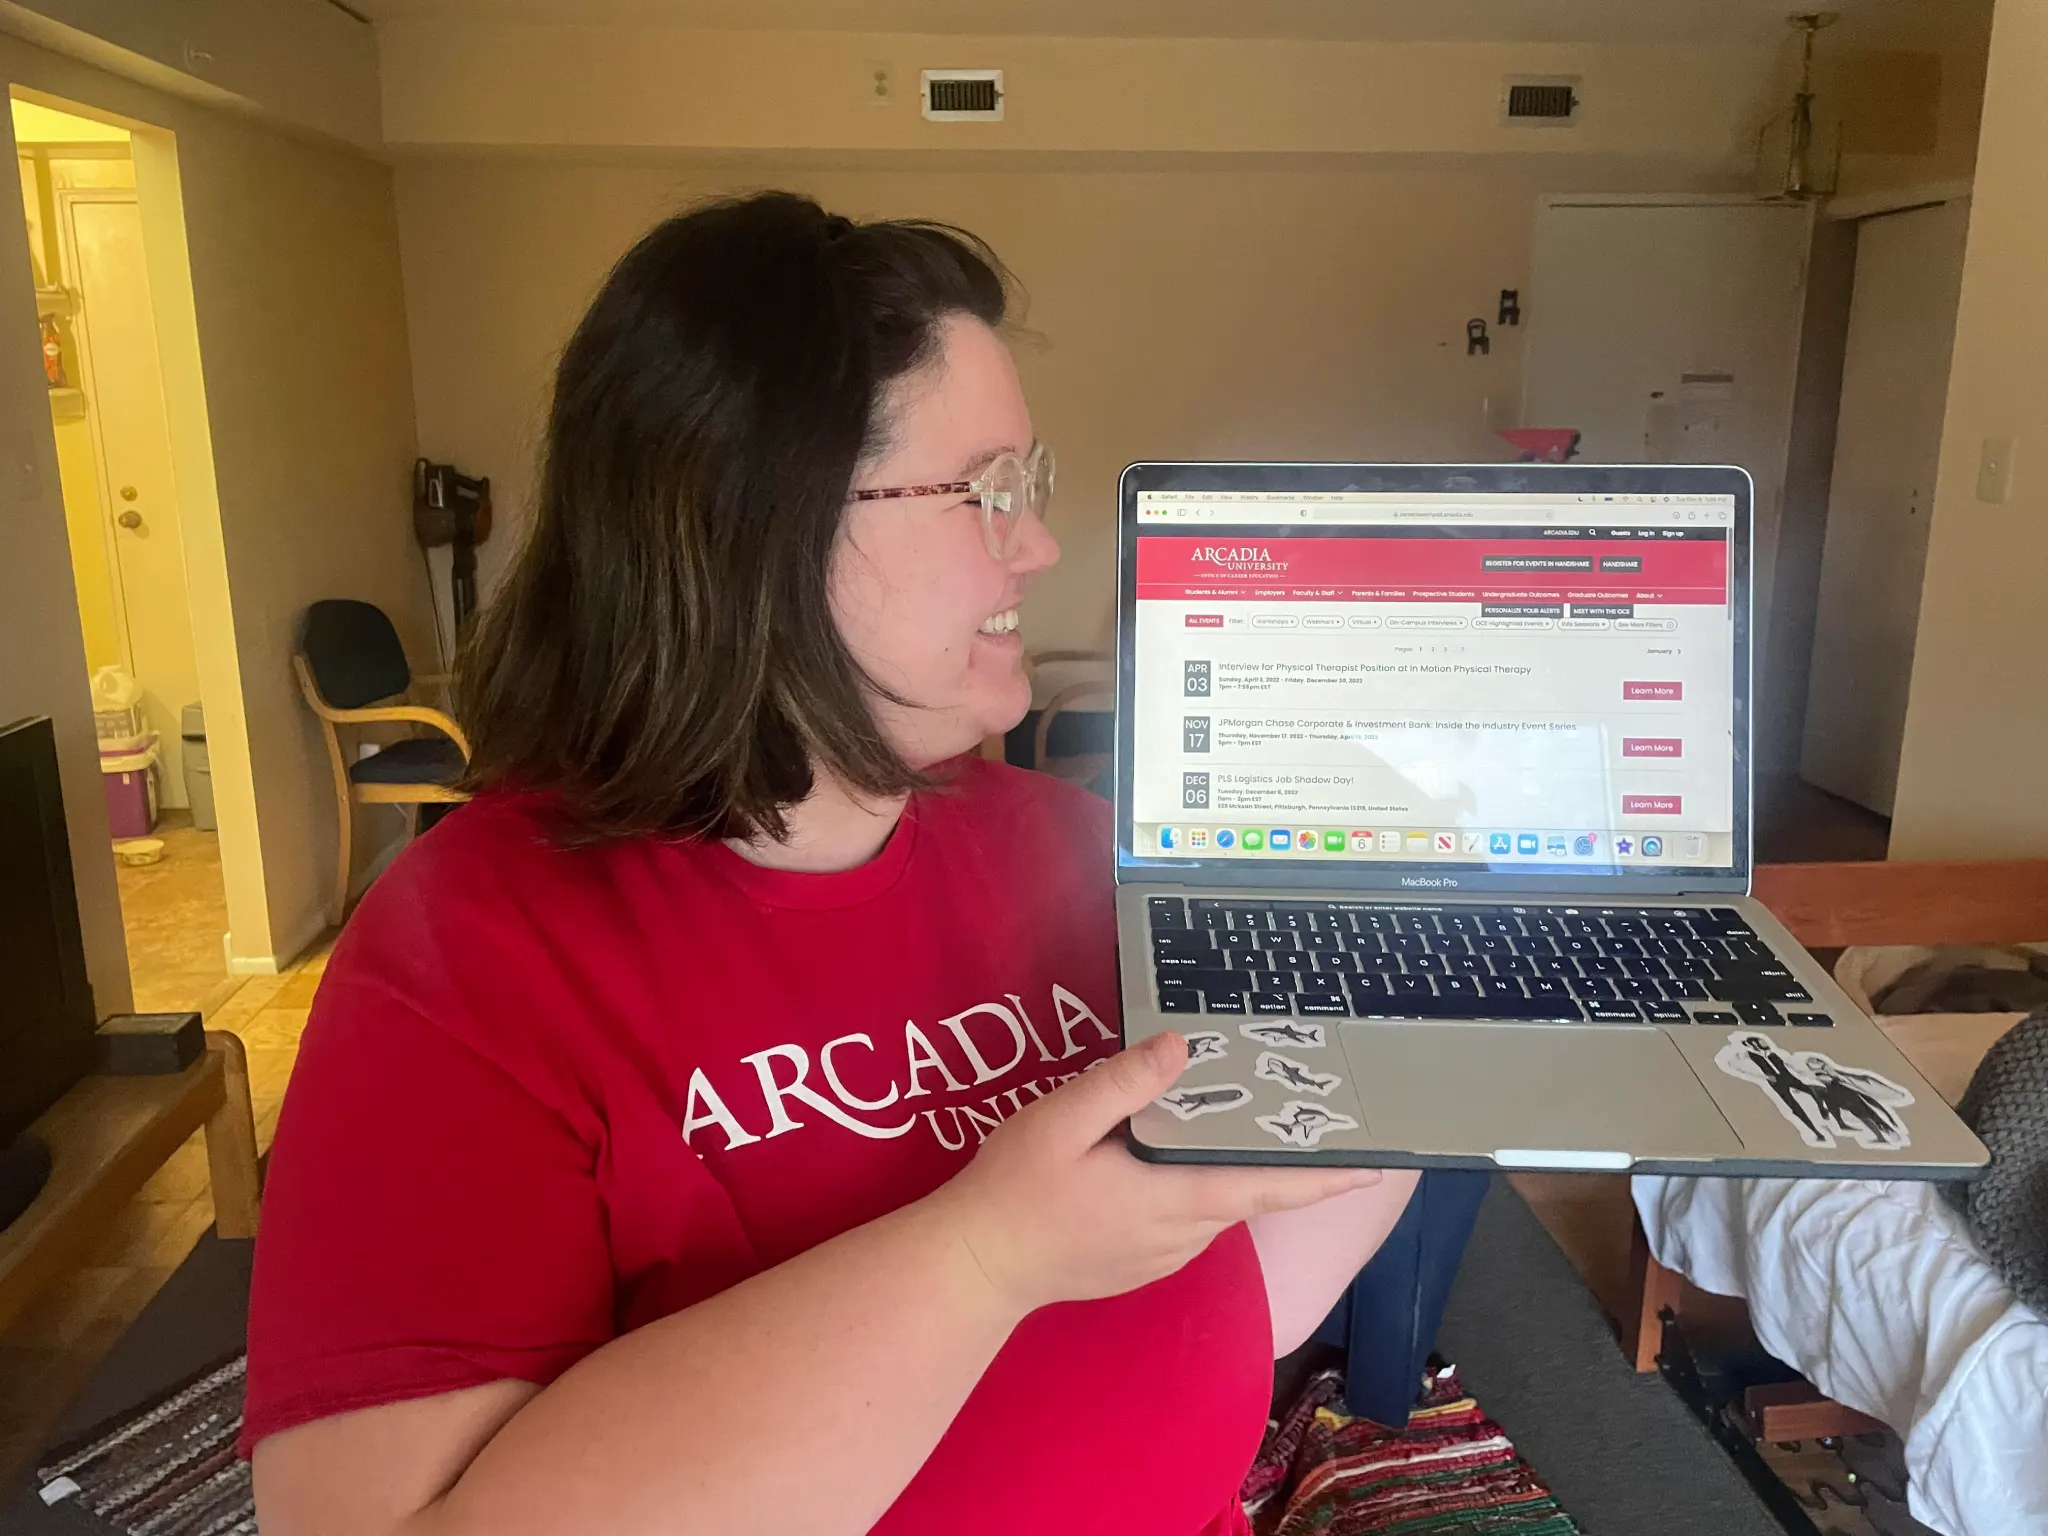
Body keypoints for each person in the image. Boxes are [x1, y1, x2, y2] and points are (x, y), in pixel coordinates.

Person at [242, 192, 1421, 1536]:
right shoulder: (465, 960)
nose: (1034, 543)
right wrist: (984, 1256)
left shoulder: (1070, 847)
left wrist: (1411, 1056)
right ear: (759, 525)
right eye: (984, 492)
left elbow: (1241, 1297)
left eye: (1027, 485)